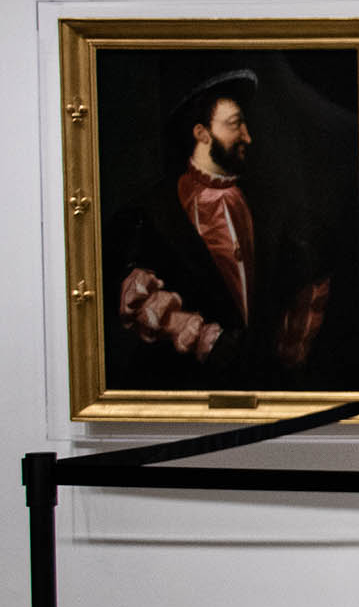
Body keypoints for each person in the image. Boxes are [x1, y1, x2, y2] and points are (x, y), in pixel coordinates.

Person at [106, 68, 336, 390]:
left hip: (265, 389)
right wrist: (194, 333)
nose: (247, 136)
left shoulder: (270, 207)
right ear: (201, 133)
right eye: (234, 125)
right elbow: (132, 305)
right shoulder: (152, 212)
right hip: (184, 393)